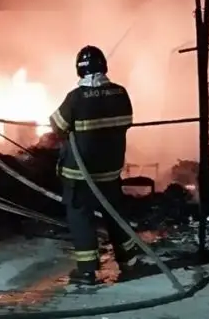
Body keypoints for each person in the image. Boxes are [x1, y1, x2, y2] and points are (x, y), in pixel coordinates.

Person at [49, 45, 140, 285]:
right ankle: (129, 262)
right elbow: (126, 122)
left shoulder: (76, 98)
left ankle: (87, 271)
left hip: (80, 174)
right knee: (115, 214)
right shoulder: (121, 93)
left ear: (79, 70)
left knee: (81, 217)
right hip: (110, 171)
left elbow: (57, 126)